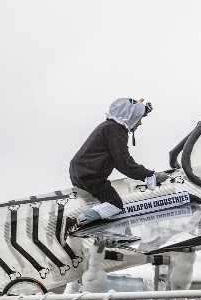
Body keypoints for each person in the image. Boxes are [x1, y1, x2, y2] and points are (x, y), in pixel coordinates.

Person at [59, 98, 168, 244]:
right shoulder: (116, 130)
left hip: (81, 171)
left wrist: (146, 174)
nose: (140, 123)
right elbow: (124, 163)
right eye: (139, 118)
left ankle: (96, 223)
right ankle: (74, 222)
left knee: (105, 204)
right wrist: (149, 175)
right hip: (90, 174)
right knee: (115, 204)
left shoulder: (109, 127)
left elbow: (120, 161)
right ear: (130, 117)